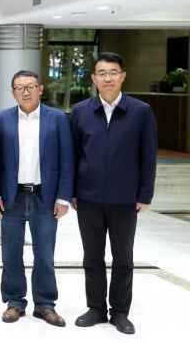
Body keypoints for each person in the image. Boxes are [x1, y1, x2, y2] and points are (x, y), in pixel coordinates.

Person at [71, 52, 157, 335]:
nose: (107, 78)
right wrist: (72, 192)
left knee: (123, 258)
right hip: (88, 198)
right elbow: (73, 154)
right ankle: (96, 308)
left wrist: (145, 193)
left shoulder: (141, 111)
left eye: (113, 72)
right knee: (92, 257)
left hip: (125, 198)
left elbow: (148, 155)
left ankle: (120, 312)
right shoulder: (81, 111)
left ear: (123, 76)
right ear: (94, 78)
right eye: (102, 73)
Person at [0, 70, 73, 327]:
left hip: (44, 197)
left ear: (40, 89)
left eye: (30, 86)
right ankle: (15, 302)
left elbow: (67, 160)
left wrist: (63, 198)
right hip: (12, 196)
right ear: (13, 92)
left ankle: (45, 305)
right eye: (19, 87)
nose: (25, 92)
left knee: (45, 254)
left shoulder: (57, 119)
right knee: (11, 254)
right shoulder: (1, 119)